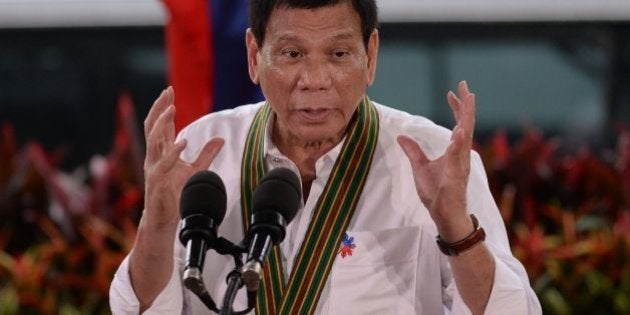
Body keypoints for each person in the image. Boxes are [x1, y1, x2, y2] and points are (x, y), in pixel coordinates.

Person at [110, 0, 542, 314]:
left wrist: (456, 228)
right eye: (292, 54)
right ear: (253, 56)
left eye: (338, 54)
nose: (314, 81)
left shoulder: (433, 158)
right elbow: (141, 309)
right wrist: (159, 222)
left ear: (370, 56)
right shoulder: (206, 148)